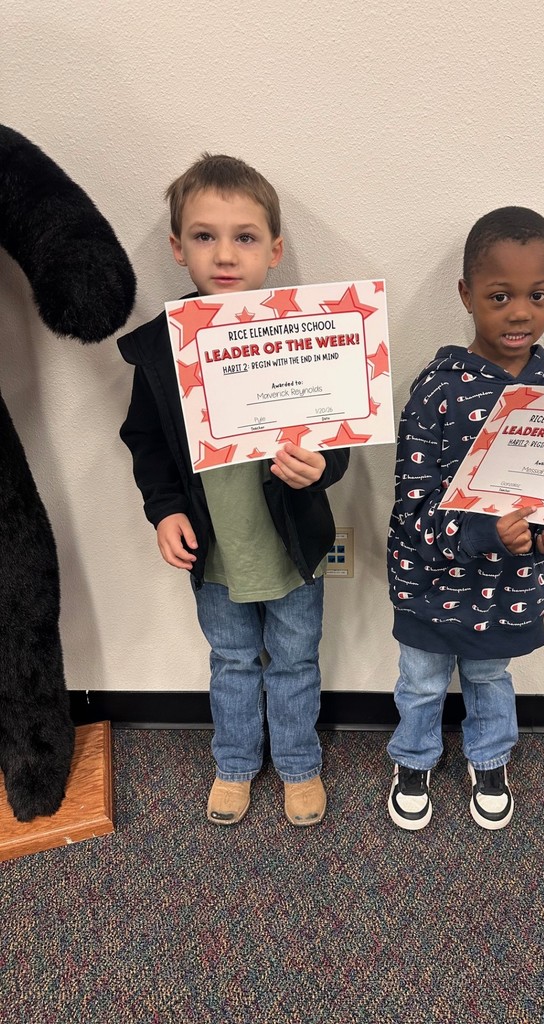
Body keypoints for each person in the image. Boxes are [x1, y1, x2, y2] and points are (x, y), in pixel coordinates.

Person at [118, 154, 349, 827]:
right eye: (204, 236)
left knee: (296, 660)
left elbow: (336, 435)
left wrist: (322, 465)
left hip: (292, 542)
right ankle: (236, 762)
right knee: (232, 659)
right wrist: (162, 511)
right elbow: (146, 439)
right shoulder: (161, 349)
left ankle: (300, 764)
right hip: (215, 547)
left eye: (245, 236)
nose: (225, 253)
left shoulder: (306, 335)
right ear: (177, 248)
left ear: (274, 251)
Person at [386, 206, 544, 831]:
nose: (521, 312)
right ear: (466, 295)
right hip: (431, 585)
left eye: (538, 295)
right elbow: (410, 513)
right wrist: (480, 532)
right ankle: (414, 757)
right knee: (421, 680)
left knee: (490, 676)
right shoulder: (437, 389)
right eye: (500, 296)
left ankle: (490, 756)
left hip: (506, 590)